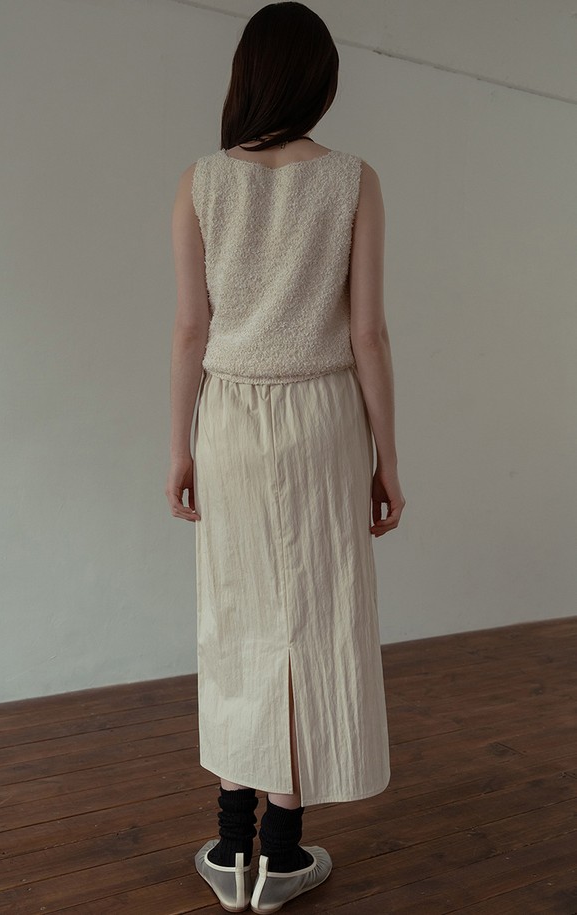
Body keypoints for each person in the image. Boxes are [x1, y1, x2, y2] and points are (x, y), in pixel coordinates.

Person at [167, 2, 405, 911]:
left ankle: (231, 849)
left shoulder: (199, 182)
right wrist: (387, 457)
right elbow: (368, 334)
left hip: (229, 417)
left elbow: (191, 330)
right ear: (319, 82)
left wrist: (179, 445)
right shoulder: (353, 179)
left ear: (247, 76)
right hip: (322, 418)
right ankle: (284, 852)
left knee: (235, 616)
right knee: (313, 617)